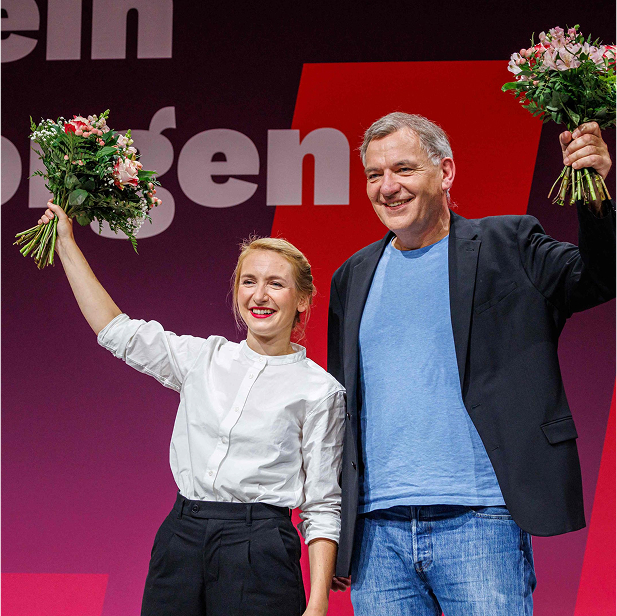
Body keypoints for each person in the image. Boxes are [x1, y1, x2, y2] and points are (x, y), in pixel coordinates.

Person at [327, 112, 614, 615]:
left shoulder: (510, 244)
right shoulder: (352, 275)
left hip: (481, 522)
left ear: (446, 172)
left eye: (404, 170)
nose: (387, 187)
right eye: (375, 175)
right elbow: (342, 409)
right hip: (378, 536)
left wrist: (596, 195)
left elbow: (599, 277)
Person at [37, 202, 345, 616]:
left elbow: (322, 504)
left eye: (276, 284)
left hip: (261, 548)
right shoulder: (203, 357)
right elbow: (116, 330)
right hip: (181, 536)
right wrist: (66, 245)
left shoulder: (320, 391)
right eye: (248, 282)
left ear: (303, 298)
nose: (259, 295)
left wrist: (318, 601)